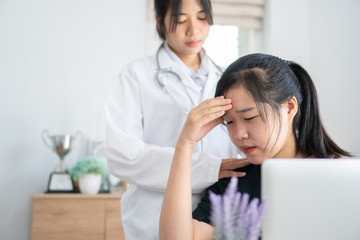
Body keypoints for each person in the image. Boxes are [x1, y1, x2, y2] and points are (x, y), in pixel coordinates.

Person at [159, 53, 352, 240]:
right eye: (230, 122)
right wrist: (185, 145)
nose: (239, 134)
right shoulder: (235, 181)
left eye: (250, 118)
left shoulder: (338, 176)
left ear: (290, 108)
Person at [105, 0, 247, 239]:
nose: (193, 30)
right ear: (160, 21)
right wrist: (208, 168)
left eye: (201, 17)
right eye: (181, 20)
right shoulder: (137, 75)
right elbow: (122, 157)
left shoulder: (227, 77)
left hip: (219, 216)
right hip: (154, 218)